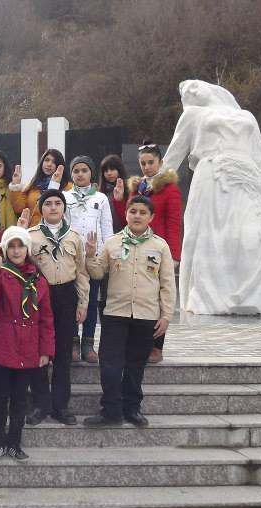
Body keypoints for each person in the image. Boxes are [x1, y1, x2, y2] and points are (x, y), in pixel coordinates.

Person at [161, 79, 261, 316]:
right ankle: (209, 298)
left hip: (248, 180)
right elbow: (172, 159)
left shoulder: (246, 116)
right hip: (212, 177)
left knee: (251, 237)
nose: (191, 90)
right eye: (186, 91)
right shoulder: (193, 115)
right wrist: (144, 189)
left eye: (193, 85)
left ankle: (250, 298)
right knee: (212, 240)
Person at [83, 196, 176, 428]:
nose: (137, 216)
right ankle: (111, 411)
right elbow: (97, 273)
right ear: (125, 214)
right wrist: (90, 255)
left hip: (146, 315)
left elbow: (167, 283)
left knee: (135, 366)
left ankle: (132, 409)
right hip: (116, 313)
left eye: (143, 212)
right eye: (133, 211)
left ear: (151, 217)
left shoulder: (160, 246)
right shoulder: (112, 243)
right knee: (110, 365)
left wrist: (166, 315)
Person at [0, 227, 54, 462]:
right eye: (11, 246)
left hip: (28, 347)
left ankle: (14, 443)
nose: (16, 250)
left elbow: (46, 318)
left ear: (27, 249)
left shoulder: (39, 279)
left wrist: (46, 350)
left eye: (20, 245)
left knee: (21, 399)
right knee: (0, 398)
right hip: (3, 344)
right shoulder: (0, 273)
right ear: (5, 249)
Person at [19, 188, 90, 426]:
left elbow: (81, 272)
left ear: (63, 208)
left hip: (66, 295)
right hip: (40, 295)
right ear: (41, 208)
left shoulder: (74, 237)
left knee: (63, 353)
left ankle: (61, 406)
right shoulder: (30, 235)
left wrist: (83, 302)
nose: (52, 207)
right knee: (38, 350)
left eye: (57, 203)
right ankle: (40, 404)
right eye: (48, 203)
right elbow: (18, 262)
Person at [113, 139, 182, 363]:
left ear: (160, 162)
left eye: (151, 162)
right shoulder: (137, 188)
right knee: (142, 293)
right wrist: (119, 201)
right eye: (143, 163)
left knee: (159, 295)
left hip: (159, 249)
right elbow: (128, 217)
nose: (146, 167)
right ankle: (139, 341)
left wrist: (174, 255)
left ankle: (157, 345)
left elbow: (174, 223)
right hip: (136, 247)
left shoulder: (169, 189)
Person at [64, 156, 113, 363]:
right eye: (76, 171)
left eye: (84, 170)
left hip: (93, 258)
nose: (80, 174)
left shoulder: (100, 198)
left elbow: (107, 228)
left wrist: (107, 255)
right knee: (73, 300)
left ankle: (88, 343)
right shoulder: (65, 197)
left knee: (92, 301)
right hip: (72, 257)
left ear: (91, 173)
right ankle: (73, 341)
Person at [11, 149, 72, 228]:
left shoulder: (67, 187)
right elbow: (19, 209)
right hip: (33, 230)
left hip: (55, 230)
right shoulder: (33, 185)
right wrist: (16, 184)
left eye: (54, 162)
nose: (49, 164)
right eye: (47, 160)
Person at [99, 154, 127, 234]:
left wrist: (119, 200)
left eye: (112, 169)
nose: (109, 173)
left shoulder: (130, 190)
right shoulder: (100, 194)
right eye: (106, 171)